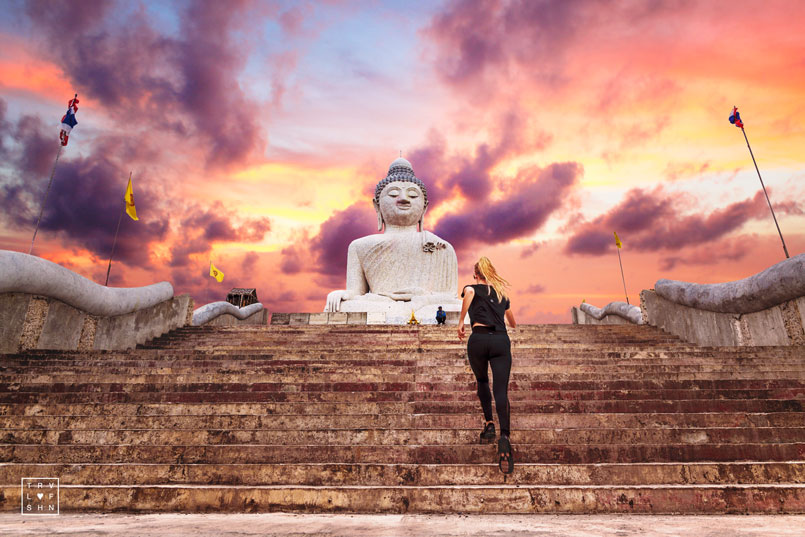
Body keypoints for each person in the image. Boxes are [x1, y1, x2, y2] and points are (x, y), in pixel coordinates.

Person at [457, 256, 516, 474]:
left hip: (479, 339)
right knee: (501, 390)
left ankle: (489, 423)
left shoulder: (470, 288)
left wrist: (462, 321)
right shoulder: (502, 294)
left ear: (475, 274)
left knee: (482, 381)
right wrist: (504, 312)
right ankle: (505, 437)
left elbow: (470, 293)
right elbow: (513, 322)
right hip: (500, 340)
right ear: (490, 273)